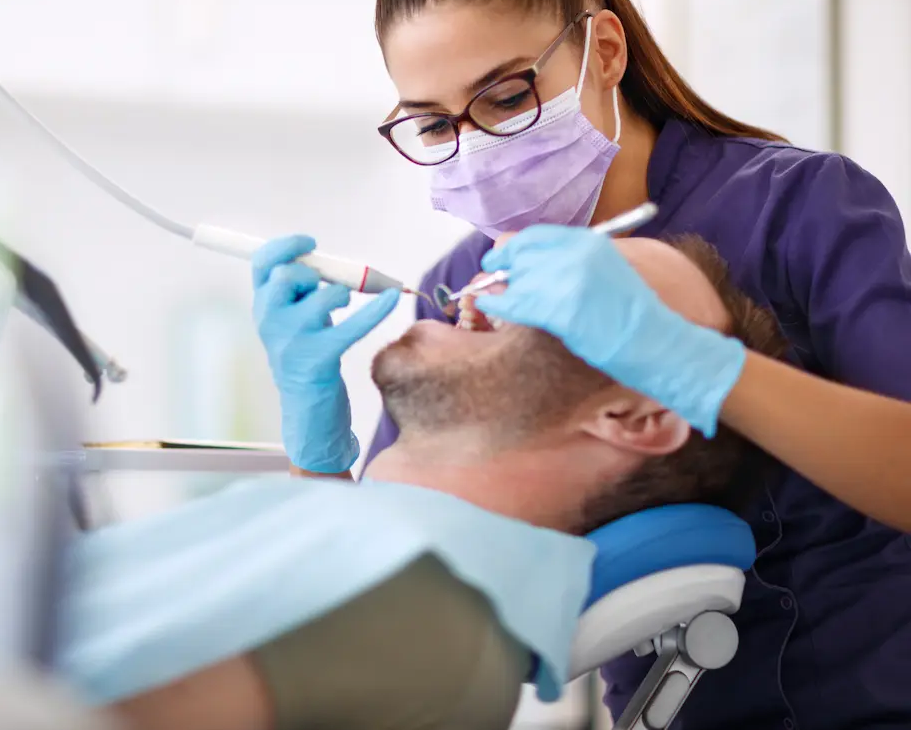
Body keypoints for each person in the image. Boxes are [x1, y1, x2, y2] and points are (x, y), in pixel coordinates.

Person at [254, 0, 911, 726]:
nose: (476, 153)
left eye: (505, 97)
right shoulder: (465, 287)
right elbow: (384, 576)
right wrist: (316, 454)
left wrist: (700, 367)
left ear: (603, 52)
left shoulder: (798, 209)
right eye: (432, 125)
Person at [64, 236, 784, 730]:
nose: (488, 278)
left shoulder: (418, 599)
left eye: (580, 286)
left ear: (633, 415)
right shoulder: (396, 565)